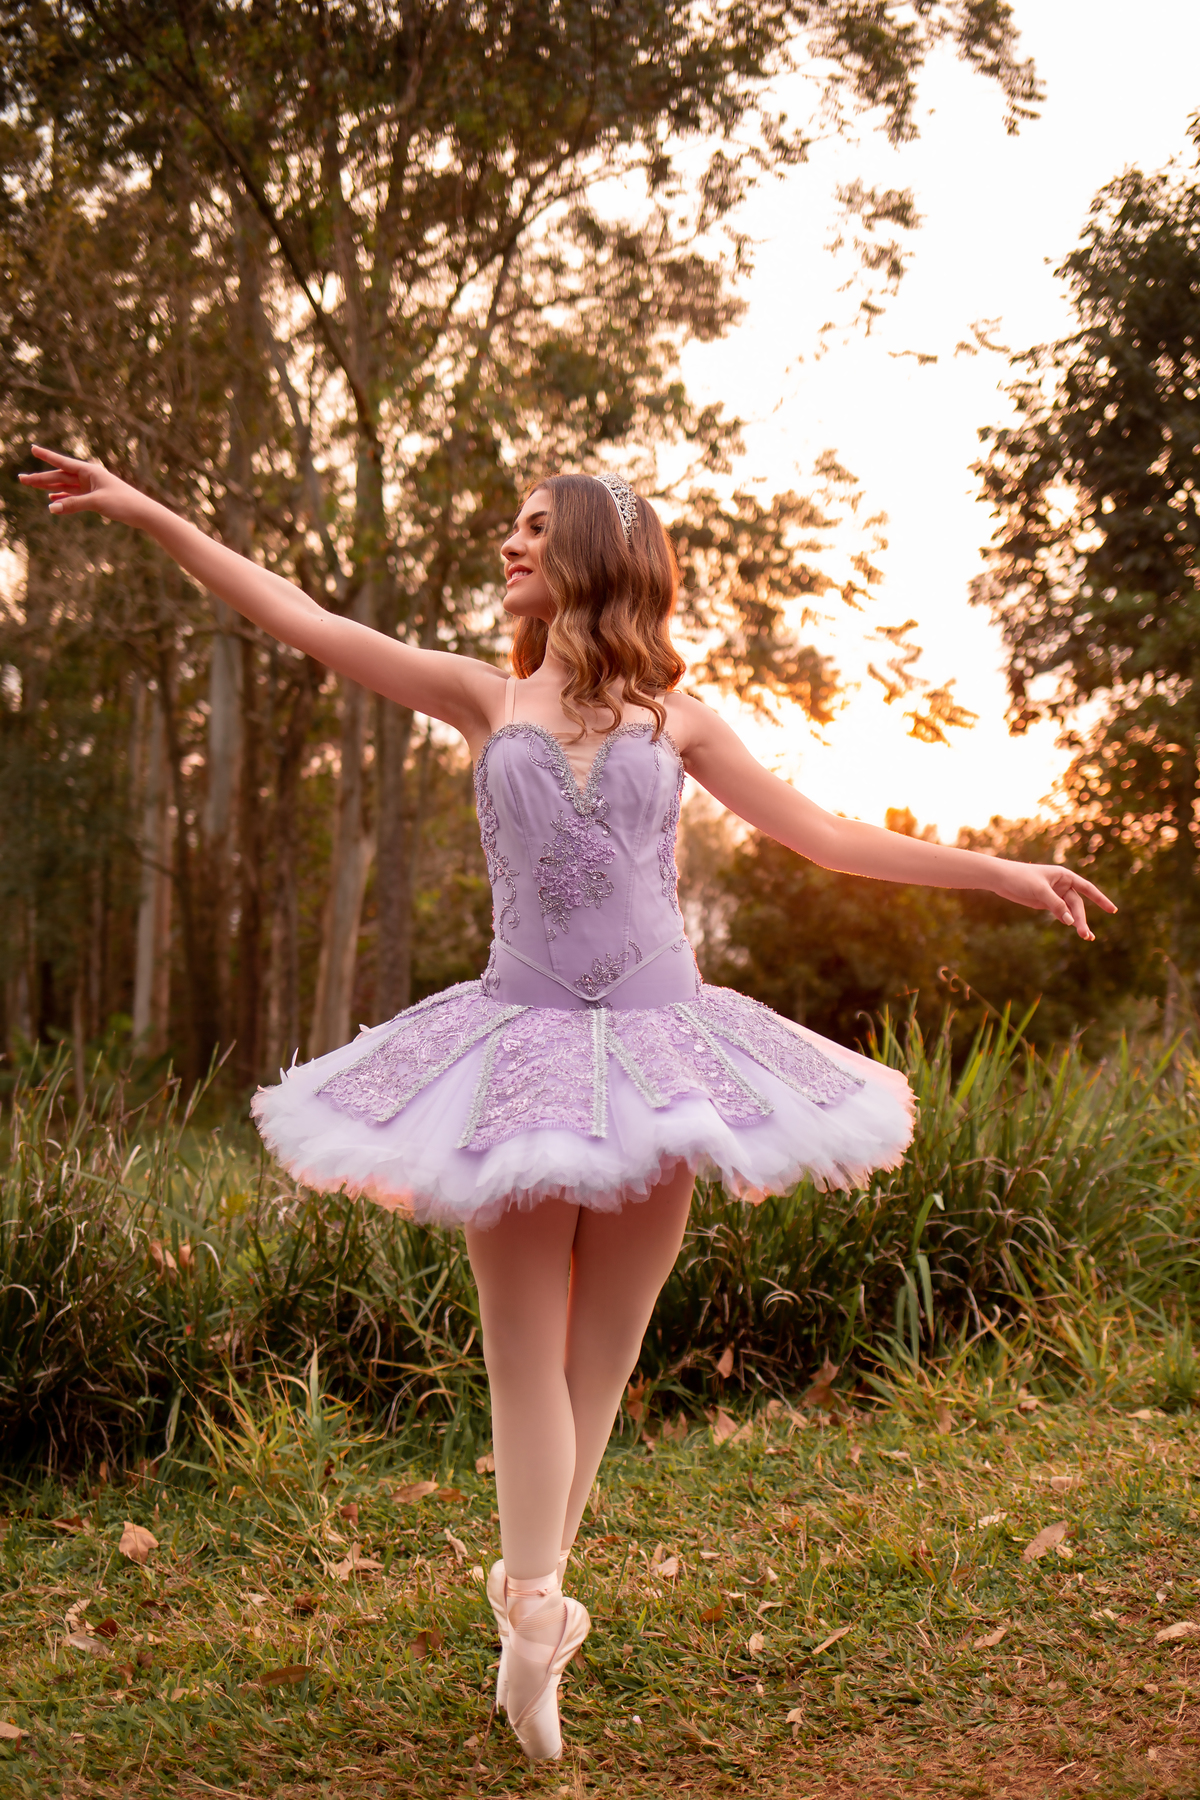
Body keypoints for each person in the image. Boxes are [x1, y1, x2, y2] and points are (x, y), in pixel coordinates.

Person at [21, 448, 1114, 1759]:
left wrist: (997, 870)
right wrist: (150, 510)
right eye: (511, 528)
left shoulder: (682, 718)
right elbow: (297, 616)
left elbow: (827, 838)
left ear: (594, 550)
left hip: (665, 1061)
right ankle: (533, 1612)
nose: (508, 545)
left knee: (596, 1355)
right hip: (523, 1054)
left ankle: (529, 1609)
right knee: (531, 1353)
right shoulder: (485, 699)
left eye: (533, 528)